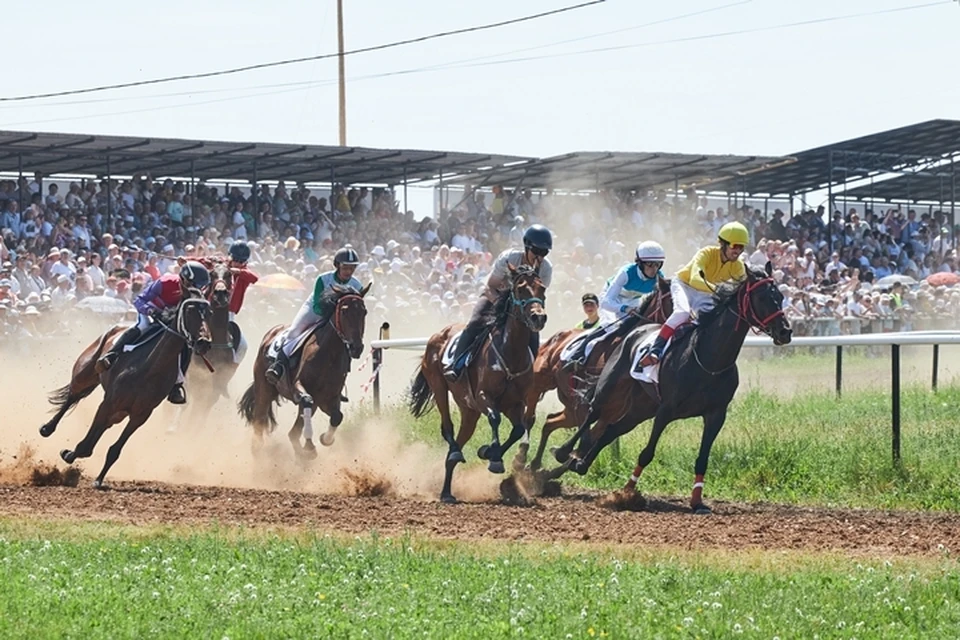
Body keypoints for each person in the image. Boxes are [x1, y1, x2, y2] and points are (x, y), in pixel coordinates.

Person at [443, 224, 553, 381]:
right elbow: (491, 286)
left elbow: (538, 295)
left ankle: (532, 377)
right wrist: (500, 304)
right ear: (527, 247)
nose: (540, 257)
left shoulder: (546, 269)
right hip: (495, 296)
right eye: (536, 251)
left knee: (533, 335)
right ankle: (457, 366)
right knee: (475, 323)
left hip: (521, 305)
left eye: (544, 252)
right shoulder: (509, 258)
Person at [96, 260, 211, 404]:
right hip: (150, 313)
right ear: (183, 280)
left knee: (184, 344)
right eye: (193, 285)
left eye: (199, 287)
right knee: (142, 327)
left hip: (171, 320)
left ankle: (177, 385)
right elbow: (140, 300)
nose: (196, 290)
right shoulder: (165, 282)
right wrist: (151, 311)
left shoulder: (196, 294)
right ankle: (111, 355)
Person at [640, 222, 748, 367]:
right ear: (723, 243)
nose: (738, 251)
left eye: (742, 247)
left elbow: (743, 286)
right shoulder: (706, 253)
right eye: (735, 246)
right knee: (682, 313)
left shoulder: (738, 265)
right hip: (684, 285)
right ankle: (656, 349)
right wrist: (719, 291)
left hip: (706, 292)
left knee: (711, 319)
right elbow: (694, 279)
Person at [265, 247, 362, 385]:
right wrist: (329, 317)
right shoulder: (323, 279)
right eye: (345, 267)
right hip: (314, 310)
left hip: (339, 317)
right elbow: (317, 305)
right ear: (337, 265)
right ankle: (278, 366)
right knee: (294, 331)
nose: (348, 271)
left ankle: (338, 380)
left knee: (346, 340)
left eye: (352, 268)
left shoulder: (357, 285)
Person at [565, 241, 666, 367]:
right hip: (611, 298)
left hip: (633, 301)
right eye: (650, 264)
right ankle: (577, 355)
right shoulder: (626, 273)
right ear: (639, 263)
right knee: (611, 327)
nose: (654, 269)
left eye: (658, 265)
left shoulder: (659, 277)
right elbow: (606, 302)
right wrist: (624, 308)